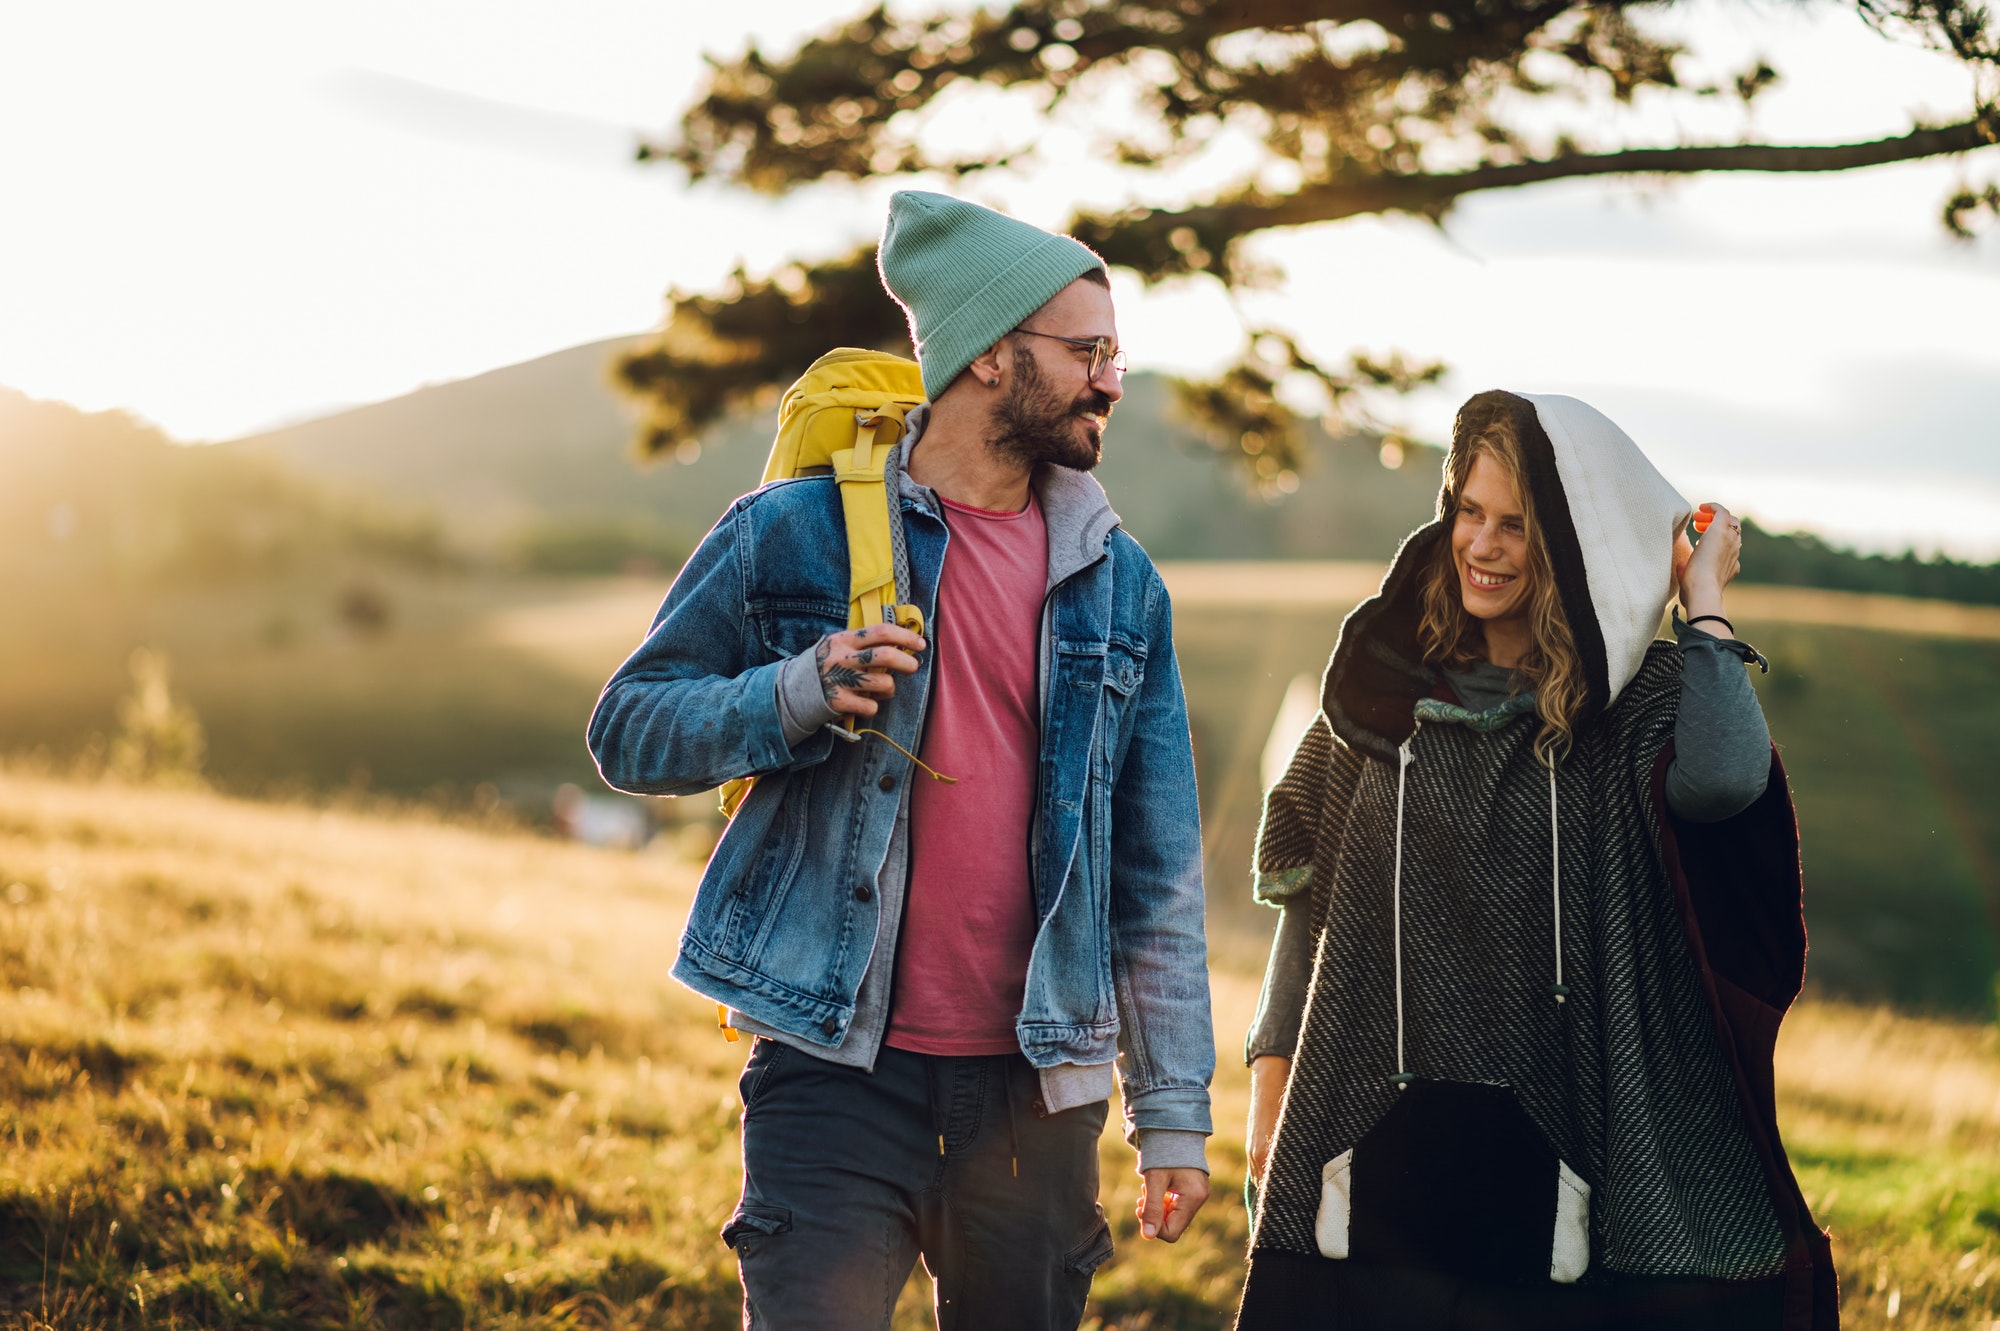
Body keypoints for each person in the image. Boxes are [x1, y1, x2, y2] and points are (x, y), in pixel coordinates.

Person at [588, 191, 1214, 1331]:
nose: (1110, 380)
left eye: (1112, 353)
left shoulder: (1126, 586)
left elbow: (1157, 871)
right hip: (832, 1074)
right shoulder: (788, 532)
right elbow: (627, 727)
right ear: (986, 356)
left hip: (1037, 1096)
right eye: (1085, 351)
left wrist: (1171, 1112)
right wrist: (792, 691)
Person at [1235, 390, 1837, 1330]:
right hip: (1368, 1130)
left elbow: (1724, 781)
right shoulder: (1380, 694)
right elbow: (1308, 905)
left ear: (1570, 542)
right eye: (1469, 512)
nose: (1482, 545)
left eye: (1517, 525)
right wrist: (1270, 1092)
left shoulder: (1629, 714)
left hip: (1565, 1151)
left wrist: (1704, 604)